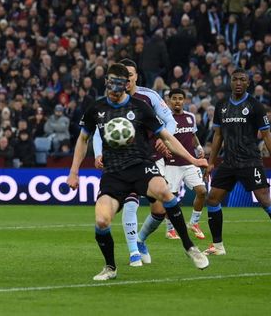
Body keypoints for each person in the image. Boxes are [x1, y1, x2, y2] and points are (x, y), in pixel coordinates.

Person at [68, 63, 209, 281]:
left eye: (118, 83)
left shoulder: (141, 107)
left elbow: (167, 137)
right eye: (110, 82)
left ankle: (190, 247)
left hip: (141, 166)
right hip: (113, 173)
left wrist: (192, 159)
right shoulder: (95, 109)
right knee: (102, 221)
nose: (113, 88)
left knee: (164, 192)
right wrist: (74, 172)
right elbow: (83, 138)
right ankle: (110, 267)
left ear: (126, 84)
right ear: (106, 82)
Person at [204, 69, 271, 258]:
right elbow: (218, 135)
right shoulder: (221, 105)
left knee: (265, 201)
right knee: (212, 199)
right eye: (235, 79)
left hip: (250, 162)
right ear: (231, 82)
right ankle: (217, 245)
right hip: (229, 162)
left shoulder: (255, 106)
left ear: (248, 83)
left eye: (243, 80)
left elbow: (268, 137)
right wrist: (211, 162)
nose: (238, 83)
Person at [93, 58, 177, 266]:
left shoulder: (149, 97)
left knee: (159, 210)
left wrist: (163, 140)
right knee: (130, 202)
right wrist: (97, 153)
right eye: (123, 76)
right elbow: (97, 131)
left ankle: (140, 240)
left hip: (151, 159)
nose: (127, 79)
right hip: (123, 160)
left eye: (130, 75)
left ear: (136, 76)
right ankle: (133, 253)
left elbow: (171, 121)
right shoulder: (108, 101)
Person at [165, 89, 207, 240]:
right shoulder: (165, 118)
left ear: (184, 100)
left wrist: (199, 147)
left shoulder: (190, 117)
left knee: (202, 191)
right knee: (171, 198)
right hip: (171, 164)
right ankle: (170, 229)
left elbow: (193, 135)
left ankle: (194, 223)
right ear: (169, 100)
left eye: (180, 98)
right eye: (174, 98)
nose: (177, 101)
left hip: (189, 162)